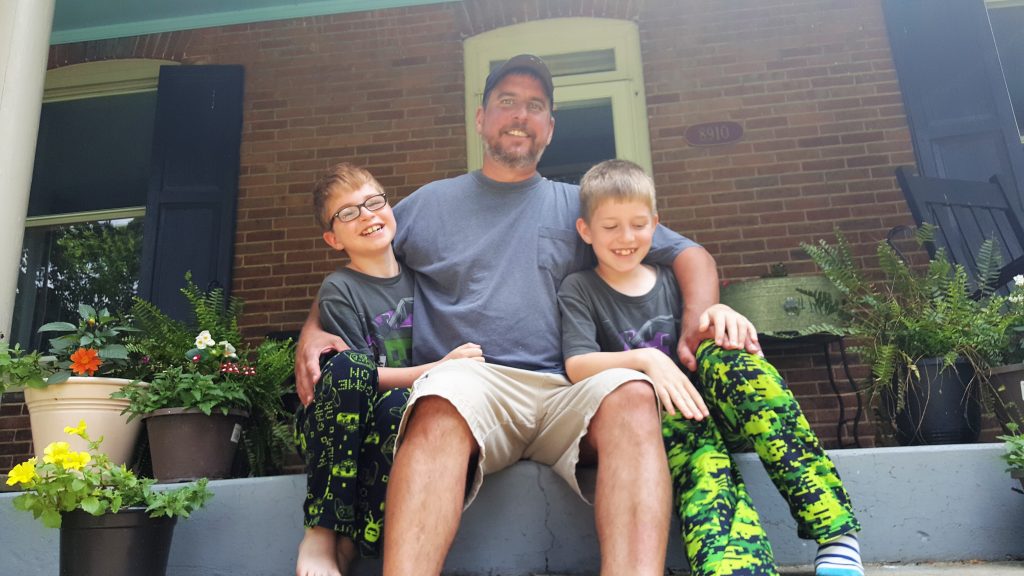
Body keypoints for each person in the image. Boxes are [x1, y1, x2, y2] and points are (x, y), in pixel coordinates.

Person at [294, 54, 751, 575]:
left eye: (535, 106)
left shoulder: (579, 207)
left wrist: (699, 319)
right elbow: (362, 260)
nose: (520, 115)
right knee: (438, 400)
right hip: (473, 385)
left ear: (550, 128)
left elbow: (690, 254)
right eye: (507, 101)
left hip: (566, 387)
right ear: (481, 118)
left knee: (632, 394)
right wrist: (314, 330)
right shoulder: (429, 205)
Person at [557, 159, 864, 576]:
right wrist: (646, 359)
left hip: (727, 409)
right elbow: (577, 364)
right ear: (586, 230)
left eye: (638, 224)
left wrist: (721, 313)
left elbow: (706, 333)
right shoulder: (580, 288)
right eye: (610, 227)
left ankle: (836, 533)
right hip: (673, 424)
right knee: (696, 451)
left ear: (656, 225)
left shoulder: (672, 279)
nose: (626, 238)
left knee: (734, 359)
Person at [296, 163, 484, 576]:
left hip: (397, 414)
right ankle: (322, 531)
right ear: (333, 238)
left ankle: (352, 548)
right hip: (337, 420)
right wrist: (440, 367)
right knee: (348, 367)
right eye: (348, 212)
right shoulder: (340, 289)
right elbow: (360, 378)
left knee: (402, 407)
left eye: (373, 202)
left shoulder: (424, 277)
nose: (366, 215)